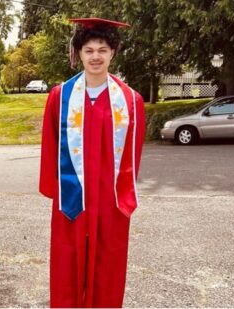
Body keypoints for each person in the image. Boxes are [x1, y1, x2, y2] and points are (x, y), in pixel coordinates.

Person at [38, 18, 146, 308]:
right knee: (67, 262)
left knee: (108, 263)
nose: (95, 56)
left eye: (102, 49)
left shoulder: (131, 101)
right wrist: (56, 188)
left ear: (113, 53)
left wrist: (123, 191)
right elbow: (49, 144)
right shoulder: (60, 97)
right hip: (71, 197)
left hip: (110, 199)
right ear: (79, 54)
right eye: (88, 50)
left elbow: (132, 156)